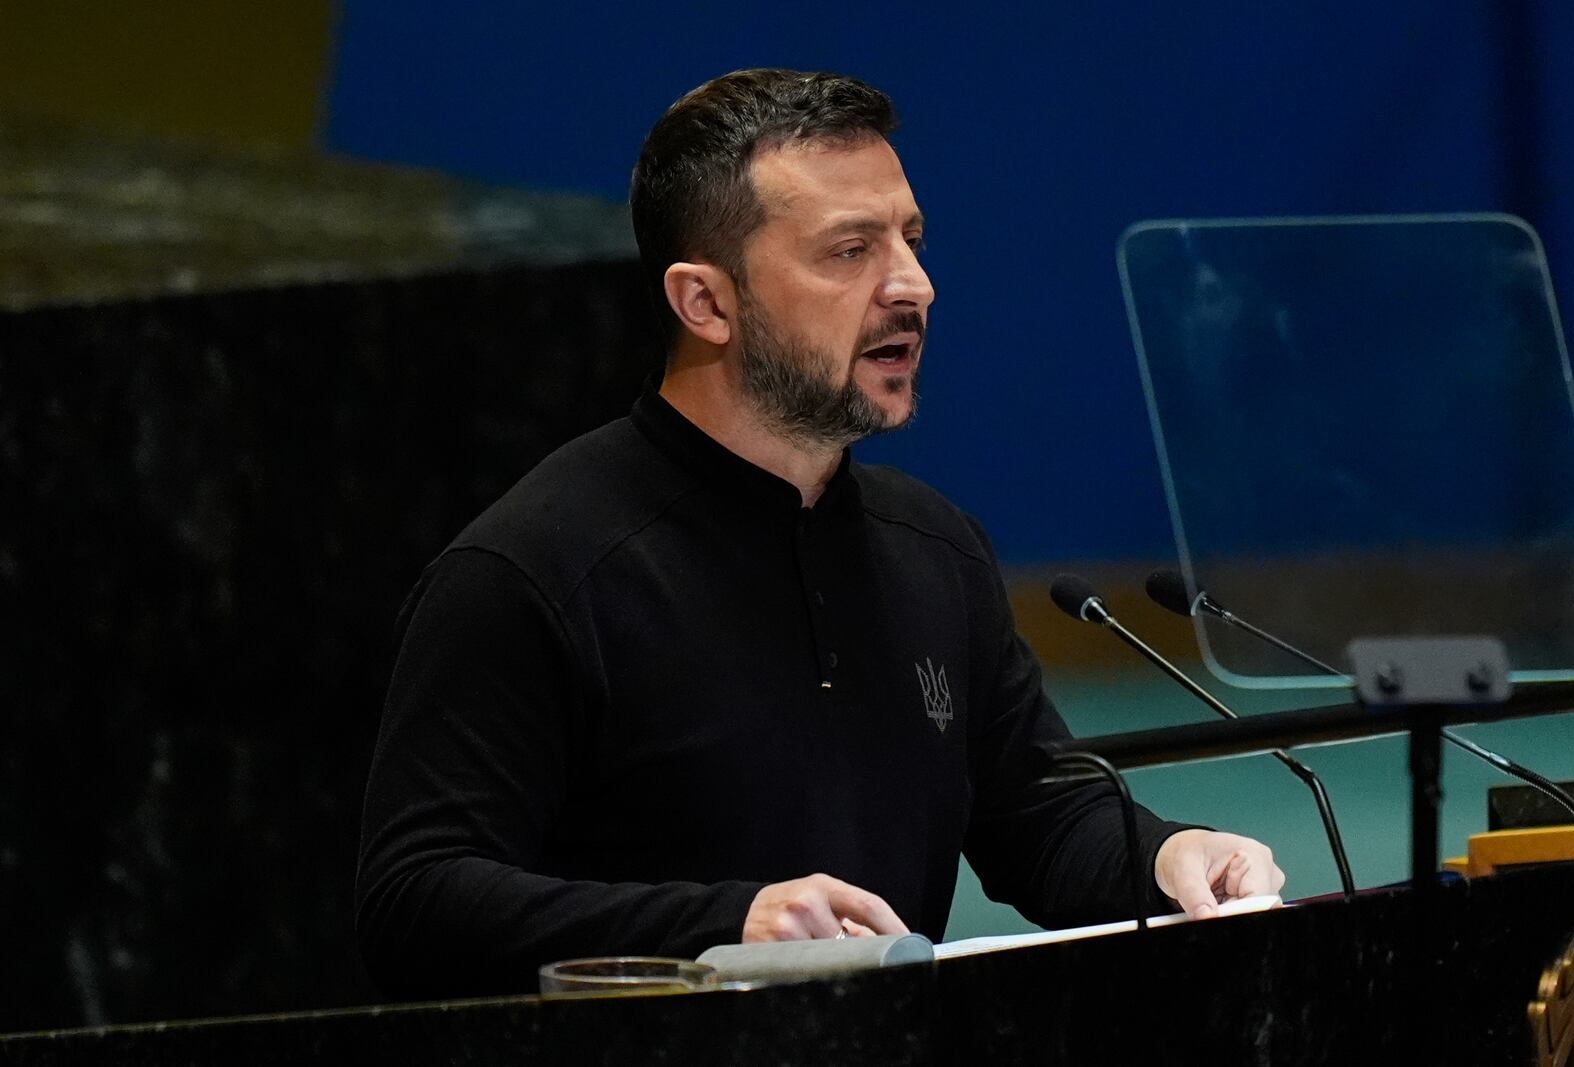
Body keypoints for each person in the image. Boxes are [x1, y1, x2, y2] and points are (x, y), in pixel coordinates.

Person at [355, 68, 1284, 997]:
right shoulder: (533, 571)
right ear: (705, 304)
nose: (914, 286)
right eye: (849, 252)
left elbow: (1038, 819)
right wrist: (727, 924)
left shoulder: (935, 549)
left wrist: (1172, 857)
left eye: (911, 240)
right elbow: (415, 901)